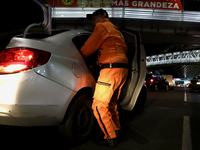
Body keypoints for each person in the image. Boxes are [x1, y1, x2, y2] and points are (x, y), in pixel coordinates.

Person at [79, 8, 129, 147]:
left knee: (99, 105)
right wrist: (95, 65)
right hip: (122, 70)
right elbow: (112, 51)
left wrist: (75, 57)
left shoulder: (101, 26)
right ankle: (116, 130)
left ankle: (110, 137)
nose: (92, 22)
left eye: (93, 18)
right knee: (111, 104)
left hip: (110, 71)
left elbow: (88, 48)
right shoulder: (115, 30)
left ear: (101, 17)